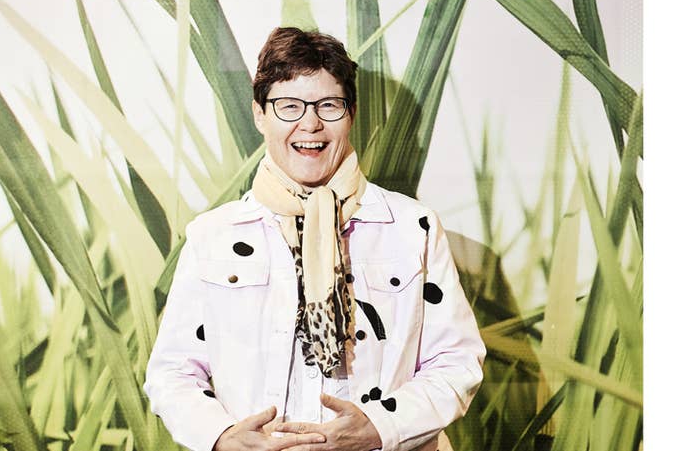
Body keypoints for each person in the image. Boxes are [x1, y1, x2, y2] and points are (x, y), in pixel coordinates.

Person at [143, 27, 485, 451]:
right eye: (289, 106)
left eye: (329, 105)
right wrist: (223, 437)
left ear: (351, 112)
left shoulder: (413, 227)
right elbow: (172, 372)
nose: (310, 123)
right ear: (259, 115)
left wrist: (379, 429)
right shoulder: (212, 235)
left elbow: (457, 361)